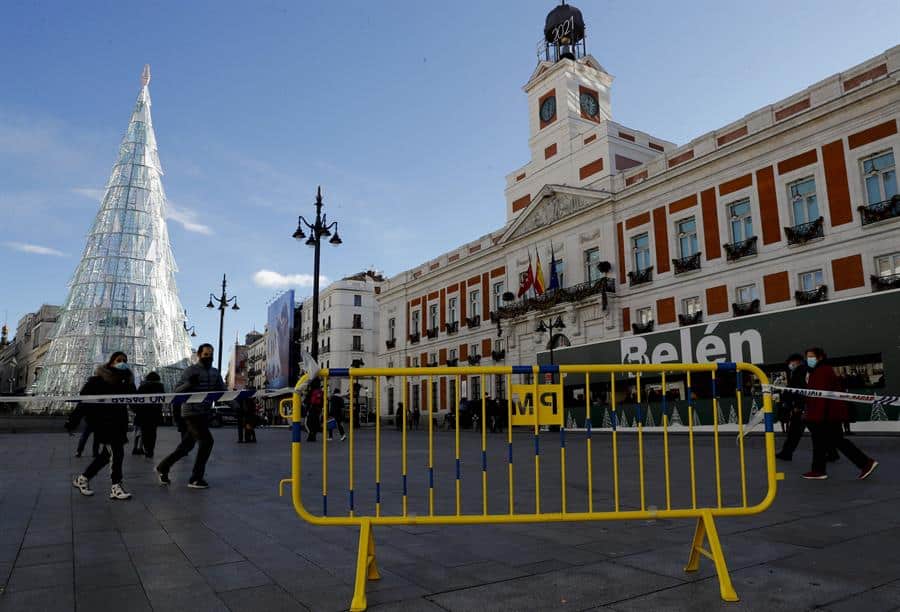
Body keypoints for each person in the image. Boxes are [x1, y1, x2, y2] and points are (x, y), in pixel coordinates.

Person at [66, 351, 136, 500]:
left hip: (119, 422)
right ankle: (116, 486)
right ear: (111, 362)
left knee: (106, 455)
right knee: (117, 452)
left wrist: (129, 383)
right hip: (102, 422)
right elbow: (83, 402)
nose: (122, 362)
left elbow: (134, 402)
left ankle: (82, 479)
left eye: (124, 360)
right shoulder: (97, 381)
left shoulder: (126, 381)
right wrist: (73, 421)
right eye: (119, 360)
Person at [802, 347, 878, 480]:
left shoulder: (822, 371)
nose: (809, 359)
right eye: (807, 357)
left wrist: (816, 415)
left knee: (836, 440)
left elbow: (820, 395)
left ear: (820, 357)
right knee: (820, 442)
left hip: (826, 414)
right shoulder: (820, 370)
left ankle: (865, 463)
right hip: (828, 413)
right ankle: (818, 470)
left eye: (811, 356)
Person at [156, 344, 223, 489]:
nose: (209, 357)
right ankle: (195, 478)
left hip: (204, 413)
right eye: (206, 354)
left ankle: (163, 467)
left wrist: (238, 407)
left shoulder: (215, 373)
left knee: (186, 447)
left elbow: (223, 393)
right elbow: (176, 391)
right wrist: (189, 384)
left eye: (211, 354)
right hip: (191, 413)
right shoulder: (190, 371)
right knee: (206, 442)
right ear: (199, 355)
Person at [135, 371, 165, 459]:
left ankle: (146, 448)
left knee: (144, 432)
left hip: (143, 414)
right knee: (153, 432)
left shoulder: (143, 386)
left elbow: (137, 399)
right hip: (155, 413)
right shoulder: (160, 387)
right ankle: (150, 450)